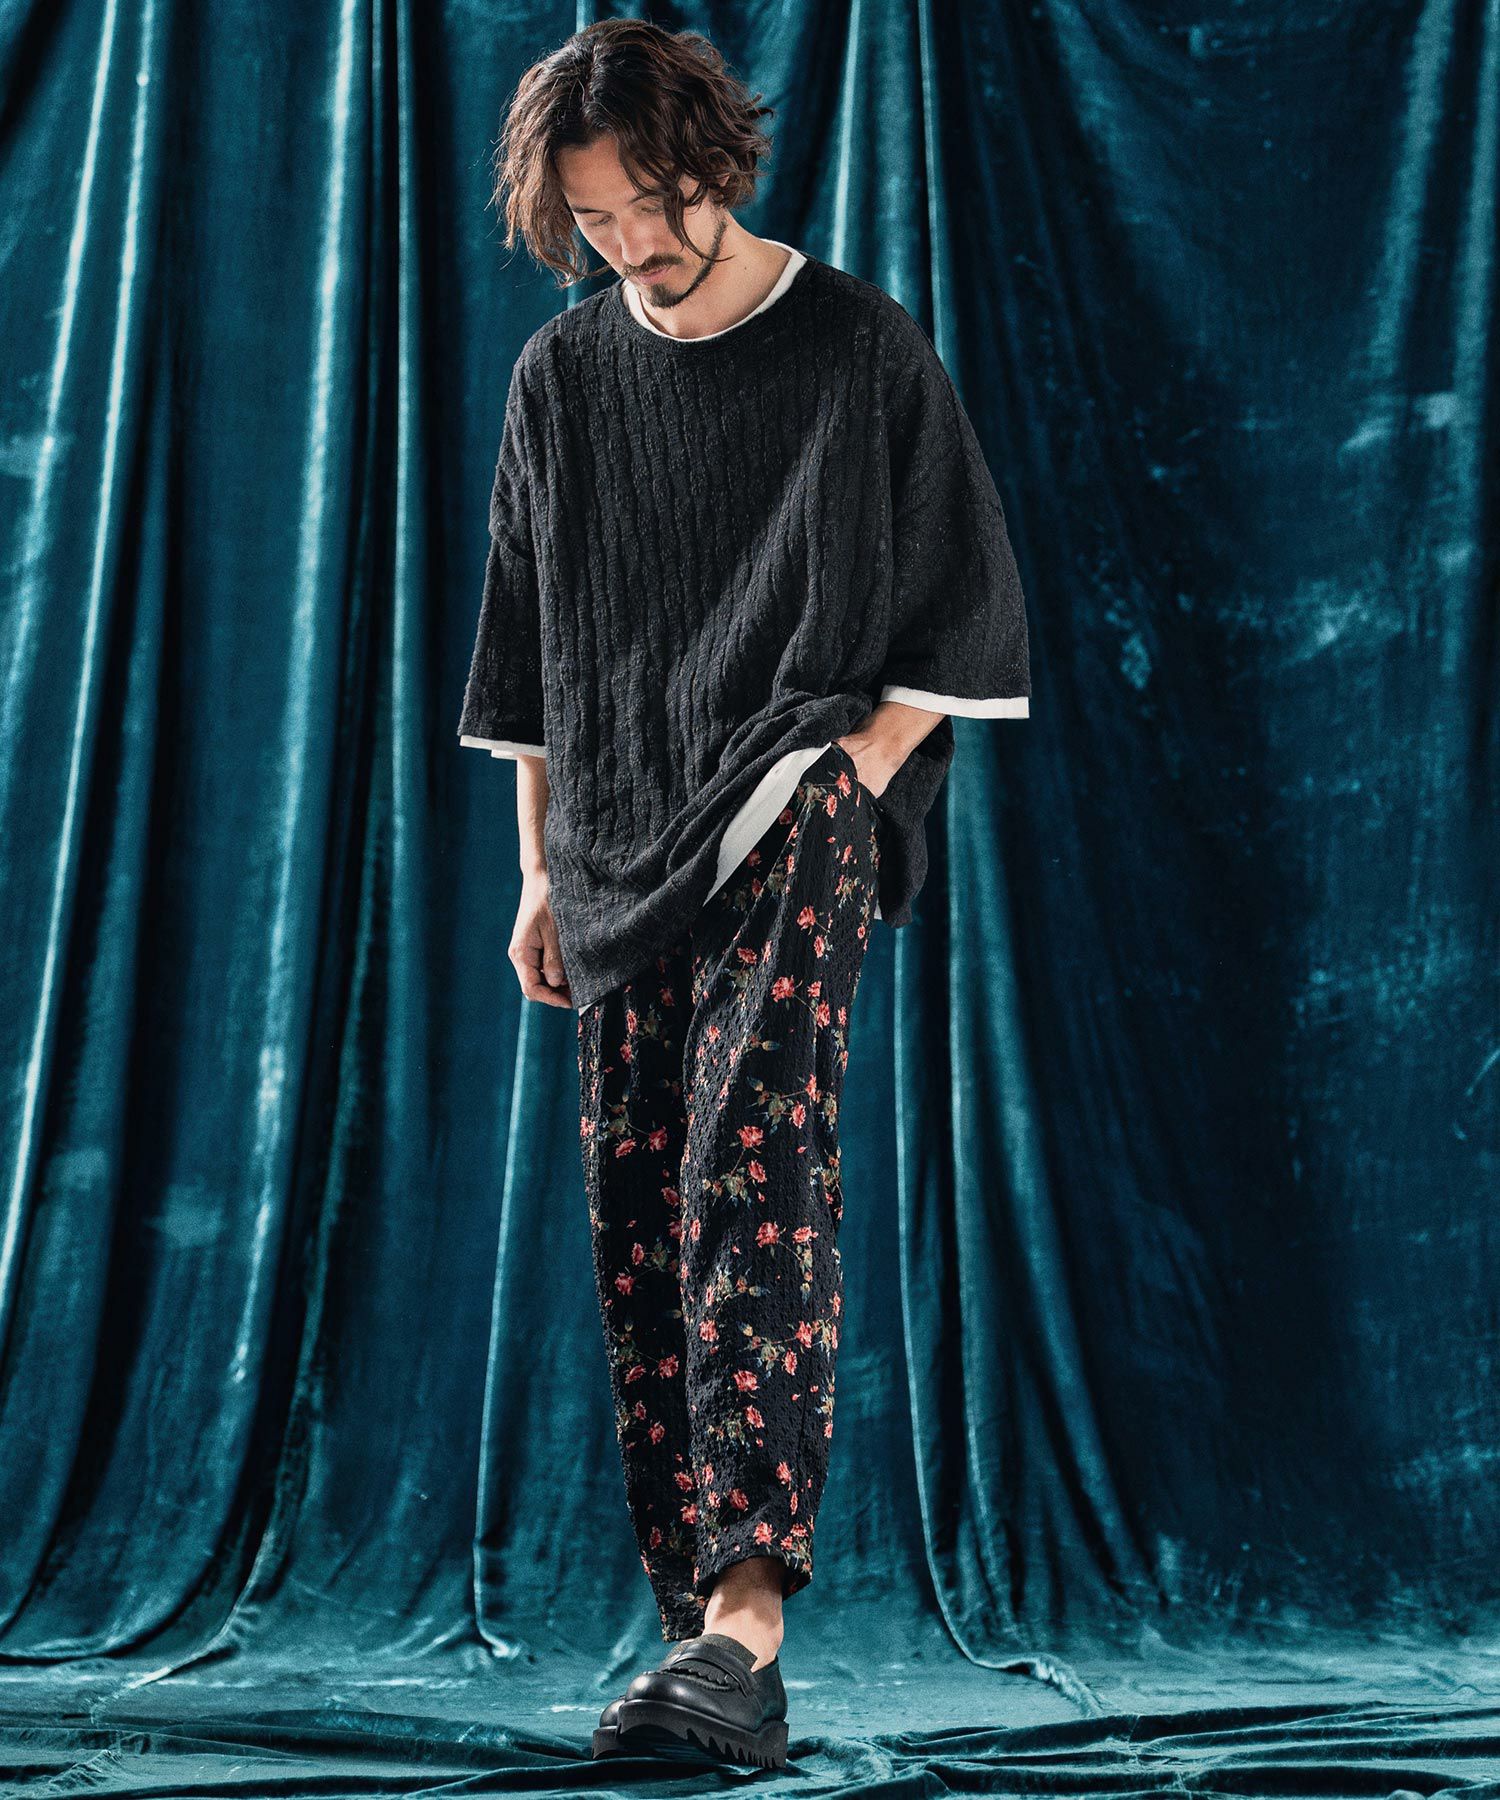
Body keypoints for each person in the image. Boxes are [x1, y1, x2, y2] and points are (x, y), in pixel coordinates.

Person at [457, 16, 1031, 1771]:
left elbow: (971, 611)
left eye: (656, 205)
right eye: (596, 222)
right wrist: (540, 869)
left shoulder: (856, 345)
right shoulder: (562, 379)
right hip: (616, 840)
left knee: (749, 1167)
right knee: (637, 1205)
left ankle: (750, 1617)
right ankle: (706, 1649)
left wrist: (847, 777)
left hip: (793, 806)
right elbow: (531, 654)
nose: (635, 245)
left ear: (714, 162)